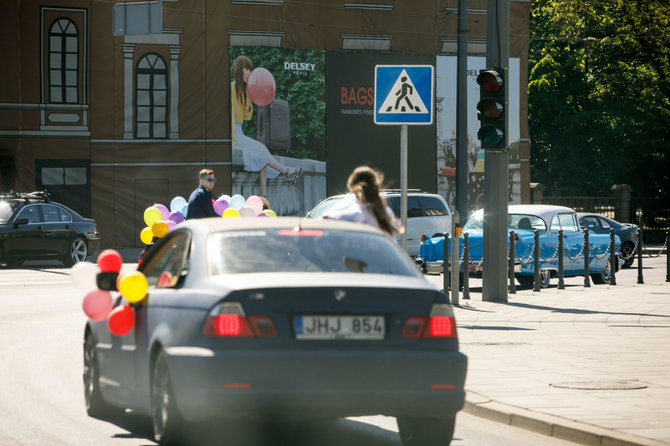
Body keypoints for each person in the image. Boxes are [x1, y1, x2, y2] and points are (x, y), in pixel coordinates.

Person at [231, 55, 302, 197]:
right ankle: (286, 171)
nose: (249, 73)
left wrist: (250, 98)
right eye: (247, 69)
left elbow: (247, 116)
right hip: (233, 133)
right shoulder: (231, 88)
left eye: (251, 70)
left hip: (239, 132)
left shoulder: (245, 92)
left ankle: (264, 196)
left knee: (261, 154)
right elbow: (230, 117)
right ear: (240, 69)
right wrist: (233, 142)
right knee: (261, 151)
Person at [326, 165, 403, 238]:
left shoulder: (362, 209)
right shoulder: (385, 210)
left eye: (353, 192)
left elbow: (356, 215)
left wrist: (329, 217)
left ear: (356, 189)